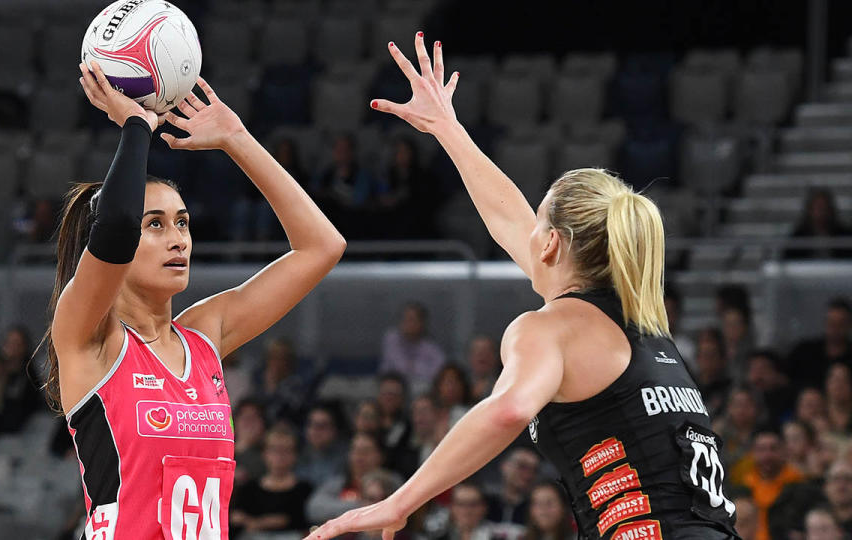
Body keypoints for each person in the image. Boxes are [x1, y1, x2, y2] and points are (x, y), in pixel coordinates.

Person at [305, 33, 738, 540]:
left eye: (537, 225)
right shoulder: (639, 327)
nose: (524, 231)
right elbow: (504, 216)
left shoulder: (550, 329)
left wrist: (400, 502)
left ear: (551, 244)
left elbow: (508, 408)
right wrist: (448, 128)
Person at [48, 62, 345, 540]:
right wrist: (136, 126)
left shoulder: (205, 336)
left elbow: (322, 247)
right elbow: (116, 227)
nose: (178, 239)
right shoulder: (89, 337)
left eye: (183, 222)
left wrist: (236, 138)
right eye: (156, 225)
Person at [230, 425, 312, 538]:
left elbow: (296, 520)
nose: (279, 456)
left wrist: (255, 522)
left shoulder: (304, 489)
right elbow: (236, 518)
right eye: (274, 449)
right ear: (264, 453)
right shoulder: (249, 488)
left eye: (286, 450)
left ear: (295, 455)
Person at [732, 427, 804, 540]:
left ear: (784, 451)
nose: (767, 456)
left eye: (773, 449)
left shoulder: (799, 486)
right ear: (752, 453)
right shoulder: (742, 486)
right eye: (761, 450)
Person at [306, 432, 387, 524]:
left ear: (380, 456)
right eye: (355, 450)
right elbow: (314, 509)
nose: (359, 456)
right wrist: (360, 505)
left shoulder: (390, 481)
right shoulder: (339, 483)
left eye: (366, 451)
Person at [379, 302, 447, 395]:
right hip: (392, 388)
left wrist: (414, 370)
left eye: (411, 319)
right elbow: (399, 368)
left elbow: (439, 373)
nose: (407, 323)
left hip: (420, 392)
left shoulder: (431, 348)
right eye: (404, 319)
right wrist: (417, 369)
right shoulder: (391, 338)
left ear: (422, 323)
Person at [788, 298, 852, 390]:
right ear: (825, 323)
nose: (836, 329)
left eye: (841, 324)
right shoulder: (804, 352)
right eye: (831, 323)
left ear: (849, 325)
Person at [785, 187, 852, 260]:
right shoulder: (798, 237)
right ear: (810, 210)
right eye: (818, 208)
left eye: (824, 208)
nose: (822, 212)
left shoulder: (843, 235)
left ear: (830, 209)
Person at [297, 402, 349, 488]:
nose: (316, 430)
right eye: (311, 424)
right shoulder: (297, 455)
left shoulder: (346, 459)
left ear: (334, 430)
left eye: (322, 426)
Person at [485, 448, 540, 526]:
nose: (528, 475)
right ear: (504, 466)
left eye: (534, 470)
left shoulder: (537, 509)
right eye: (522, 466)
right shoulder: (483, 503)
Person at [466, 335, 500, 402]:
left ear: (496, 356)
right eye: (476, 351)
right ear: (469, 357)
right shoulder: (461, 384)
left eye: (486, 351)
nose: (481, 355)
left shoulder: (504, 384)